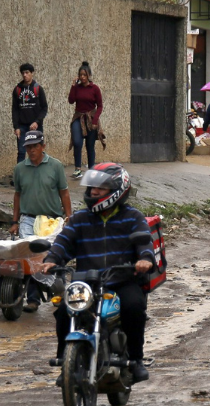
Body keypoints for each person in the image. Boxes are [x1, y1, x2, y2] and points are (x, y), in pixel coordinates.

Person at [37, 163, 155, 382]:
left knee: (134, 307)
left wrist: (145, 260)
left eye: (99, 188)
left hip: (121, 281)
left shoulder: (133, 217)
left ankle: (136, 360)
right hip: (87, 282)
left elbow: (144, 243)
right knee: (64, 310)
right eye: (92, 187)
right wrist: (52, 259)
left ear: (118, 190)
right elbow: (64, 241)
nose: (93, 192)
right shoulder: (80, 219)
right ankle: (66, 362)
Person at [11, 130, 72, 311]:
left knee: (54, 253)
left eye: (35, 146)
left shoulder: (55, 166)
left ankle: (59, 291)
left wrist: (68, 217)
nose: (31, 150)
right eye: (28, 147)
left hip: (52, 220)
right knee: (31, 256)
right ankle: (33, 299)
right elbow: (17, 195)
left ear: (43, 146)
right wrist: (14, 221)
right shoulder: (20, 169)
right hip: (28, 219)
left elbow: (64, 192)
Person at [67, 61, 103, 179]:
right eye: (81, 75)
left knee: (90, 145)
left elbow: (100, 106)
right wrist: (73, 86)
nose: (82, 77)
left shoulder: (95, 89)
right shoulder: (76, 88)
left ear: (89, 75)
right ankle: (78, 169)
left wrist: (95, 121)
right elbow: (71, 101)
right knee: (77, 142)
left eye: (84, 75)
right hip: (78, 117)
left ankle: (91, 169)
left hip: (90, 119)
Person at [12, 62, 48, 163]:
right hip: (22, 126)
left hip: (36, 126)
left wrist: (37, 121)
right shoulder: (17, 90)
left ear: (32, 73)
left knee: (37, 151)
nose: (25, 75)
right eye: (23, 73)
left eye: (27, 72)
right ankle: (19, 177)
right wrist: (16, 127)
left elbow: (44, 108)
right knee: (21, 152)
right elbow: (14, 109)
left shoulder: (38, 89)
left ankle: (39, 174)